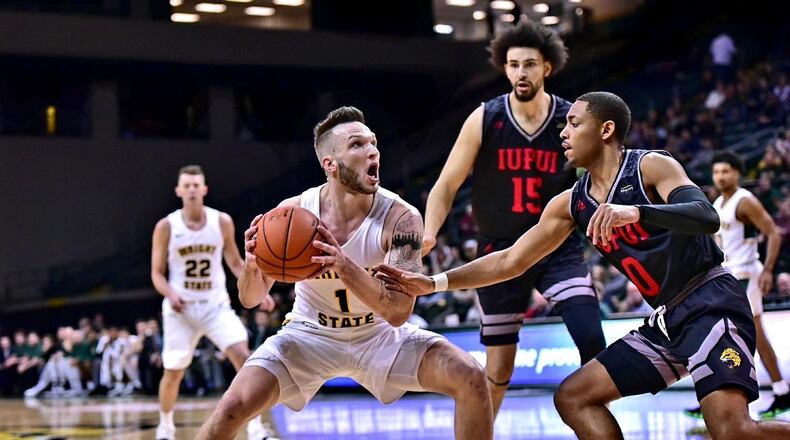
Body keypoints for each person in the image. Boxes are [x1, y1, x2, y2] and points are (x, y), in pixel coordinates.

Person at [376, 92, 790, 439]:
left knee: (732, 431)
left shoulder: (650, 166)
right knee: (573, 396)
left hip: (710, 301)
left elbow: (705, 216)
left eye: (574, 123)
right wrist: (434, 282)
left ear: (606, 129)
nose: (563, 132)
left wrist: (637, 211)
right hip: (667, 320)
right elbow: (510, 260)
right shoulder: (571, 203)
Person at [196, 106, 493, 440]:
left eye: (373, 143)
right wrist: (253, 266)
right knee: (232, 407)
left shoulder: (401, 218)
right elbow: (250, 299)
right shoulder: (291, 213)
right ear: (331, 164)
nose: (372, 151)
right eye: (357, 144)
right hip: (309, 334)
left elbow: (398, 312)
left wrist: (344, 265)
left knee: (471, 376)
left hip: (379, 336)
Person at [421, 19, 605, 416]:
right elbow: (447, 184)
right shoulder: (485, 118)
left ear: (547, 67)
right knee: (499, 368)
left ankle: (595, 425)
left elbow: (601, 174)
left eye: (529, 64)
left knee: (592, 338)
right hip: (498, 250)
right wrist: (429, 232)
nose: (521, 72)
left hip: (555, 245)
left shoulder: (570, 119)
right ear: (504, 69)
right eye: (513, 64)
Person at [150, 165, 274, 440]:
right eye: (187, 185)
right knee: (173, 372)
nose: (192, 190)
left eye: (196, 185)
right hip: (181, 309)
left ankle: (255, 427)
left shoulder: (221, 221)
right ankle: (165, 426)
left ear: (204, 189)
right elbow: (157, 274)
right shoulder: (166, 226)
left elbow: (234, 262)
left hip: (215, 305)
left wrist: (259, 289)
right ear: (178, 191)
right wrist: (171, 294)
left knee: (245, 358)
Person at [681, 152, 788, 419]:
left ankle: (772, 391)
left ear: (737, 173)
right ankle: (727, 397)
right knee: (734, 336)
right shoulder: (718, 202)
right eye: (717, 172)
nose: (720, 177)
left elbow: (773, 233)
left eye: (726, 171)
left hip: (746, 274)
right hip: (729, 275)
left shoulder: (745, 201)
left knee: (743, 335)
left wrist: (769, 270)